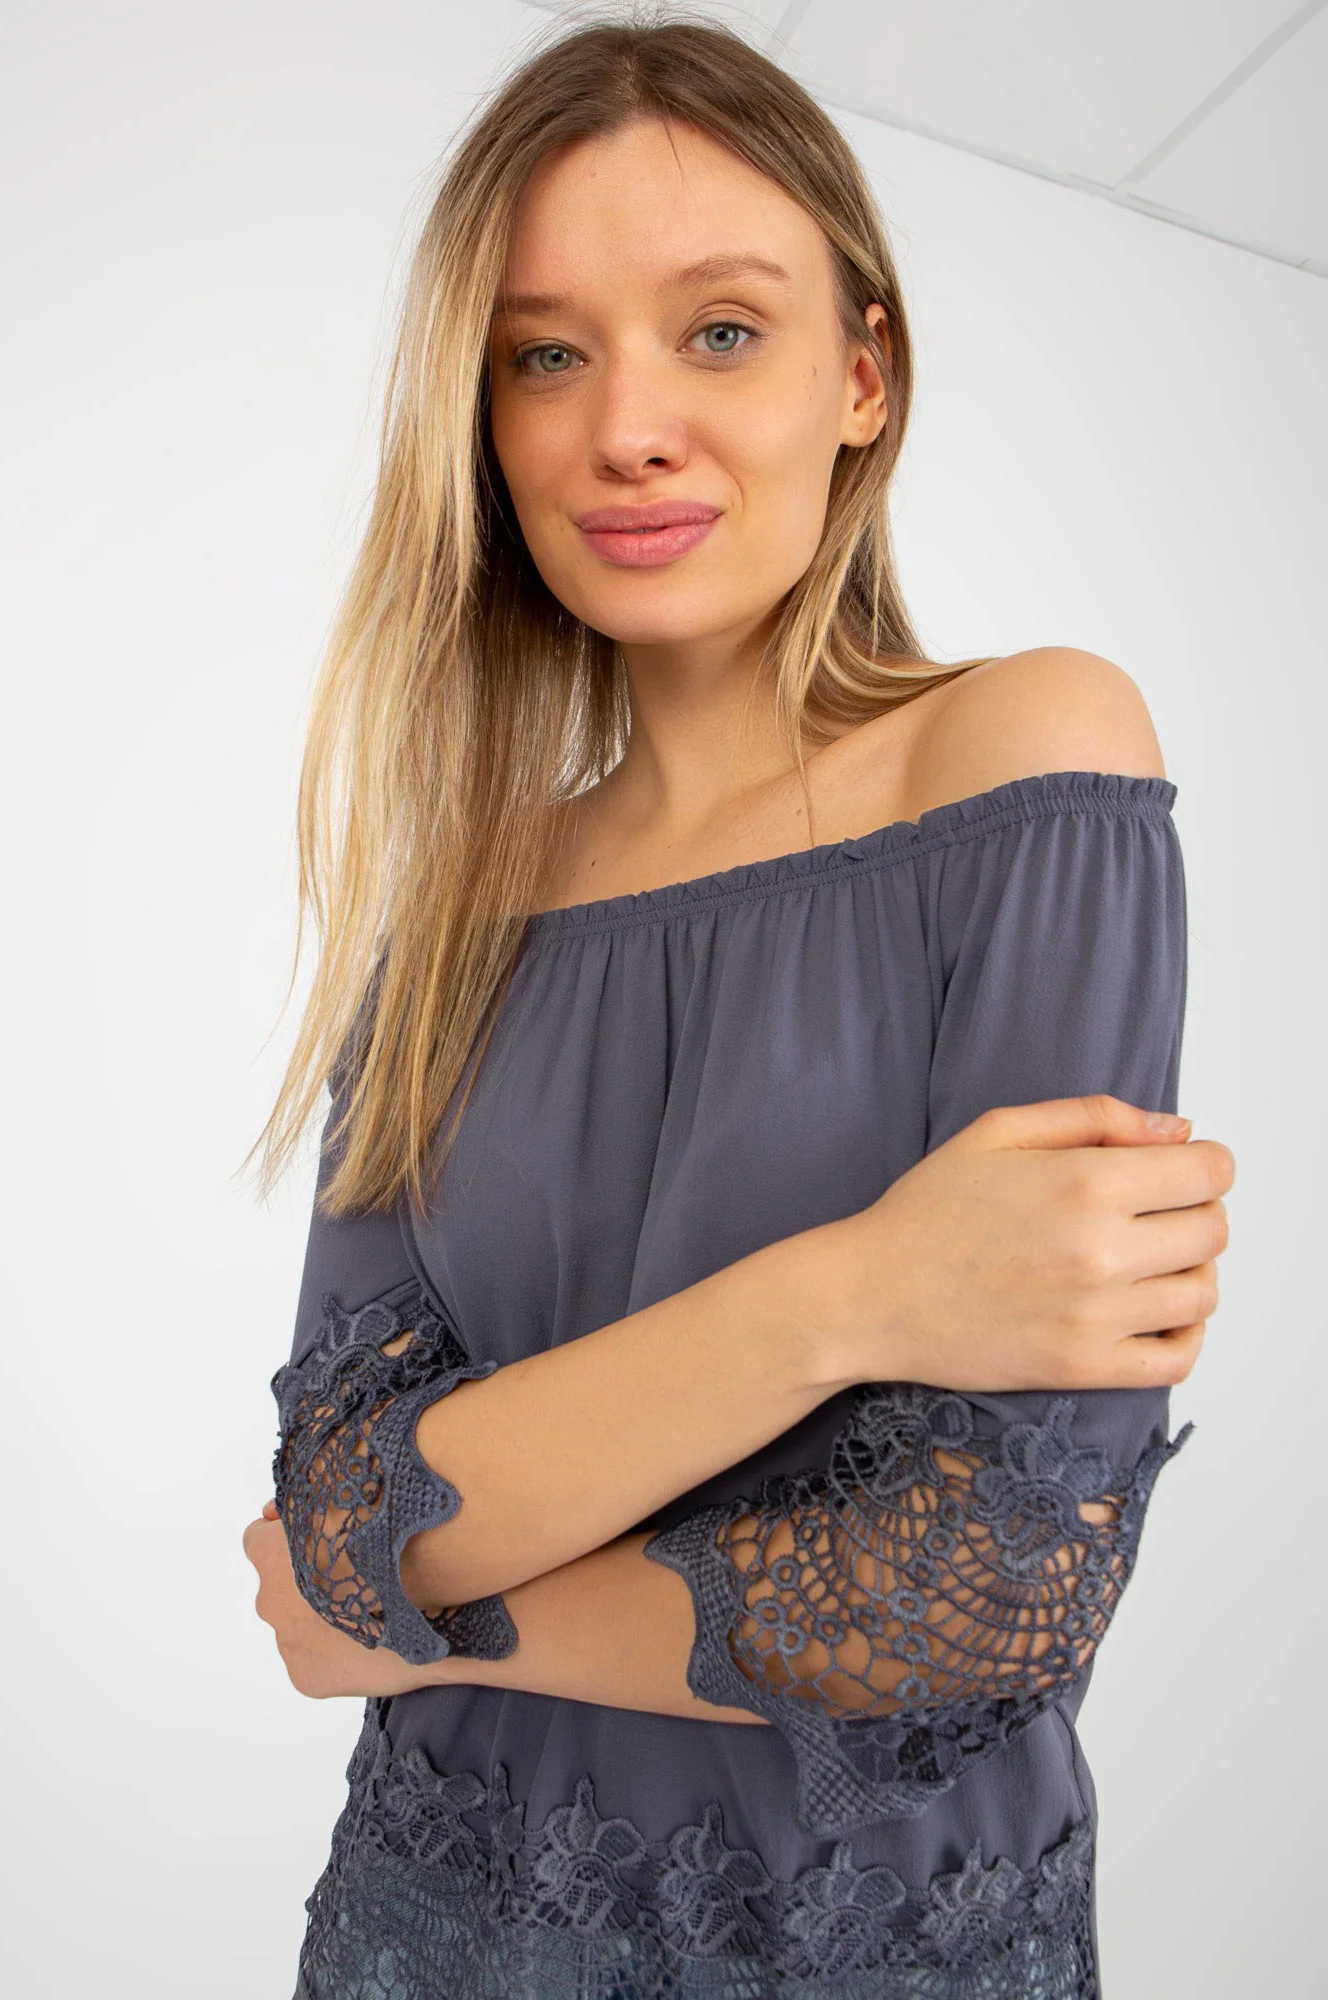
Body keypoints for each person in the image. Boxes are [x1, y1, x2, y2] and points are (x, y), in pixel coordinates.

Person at [241, 13, 1232, 1996]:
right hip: (431, 1930)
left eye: (719, 330)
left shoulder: (1027, 753)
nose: (628, 426)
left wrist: (419, 1600)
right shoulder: (457, 911)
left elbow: (974, 1600)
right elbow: (337, 1509)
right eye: (544, 353)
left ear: (863, 374)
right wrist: (857, 1293)